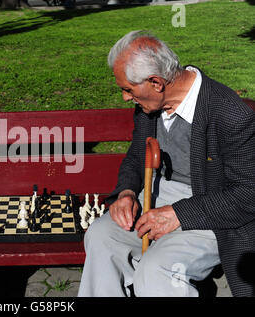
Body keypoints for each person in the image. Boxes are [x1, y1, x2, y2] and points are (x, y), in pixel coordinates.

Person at [78, 30, 255, 297]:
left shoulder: (230, 114)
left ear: (156, 82)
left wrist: (178, 214)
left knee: (157, 268)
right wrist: (126, 192)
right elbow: (137, 157)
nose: (126, 97)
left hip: (212, 209)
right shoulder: (150, 106)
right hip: (156, 197)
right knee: (101, 236)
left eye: (128, 89)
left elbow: (247, 195)